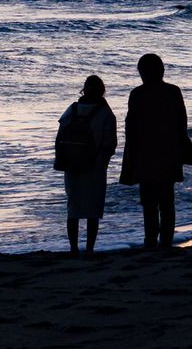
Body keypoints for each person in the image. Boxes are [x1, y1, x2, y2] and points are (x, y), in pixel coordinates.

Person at [119, 53, 191, 248]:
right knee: (167, 200)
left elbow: (130, 127)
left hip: (145, 154)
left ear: (142, 73)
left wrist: (130, 157)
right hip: (169, 152)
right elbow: (182, 123)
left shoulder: (137, 94)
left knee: (149, 202)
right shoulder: (173, 91)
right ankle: (165, 240)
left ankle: (150, 240)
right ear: (162, 71)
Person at [54, 74, 116, 254]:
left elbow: (60, 138)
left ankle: (73, 248)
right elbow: (110, 143)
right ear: (102, 91)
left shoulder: (72, 109)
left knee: (73, 208)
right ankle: (89, 249)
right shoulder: (105, 112)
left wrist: (62, 160)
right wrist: (103, 161)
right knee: (93, 210)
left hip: (72, 164)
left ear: (84, 89)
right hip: (95, 166)